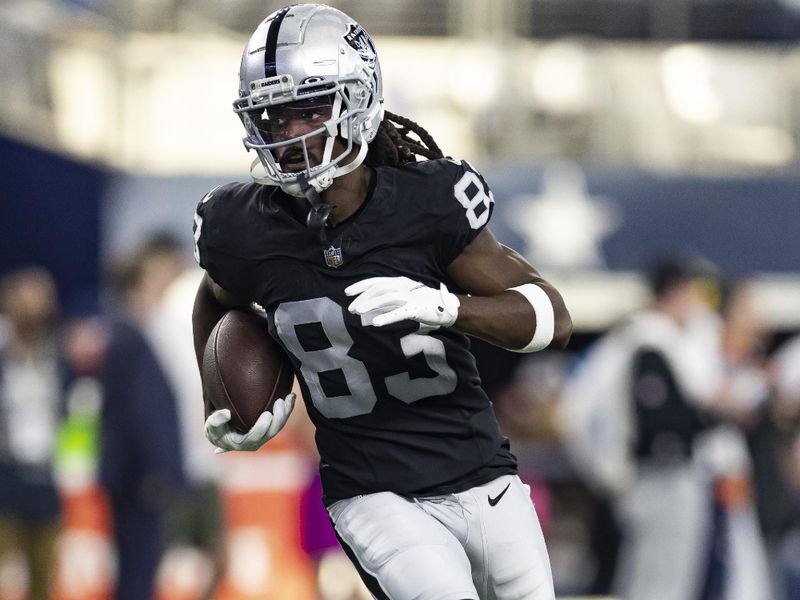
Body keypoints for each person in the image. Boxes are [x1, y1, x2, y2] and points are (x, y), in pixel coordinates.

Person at [191, 4, 572, 600]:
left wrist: (450, 308)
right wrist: (219, 394)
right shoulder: (240, 229)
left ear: (359, 99)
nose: (292, 134)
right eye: (274, 115)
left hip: (481, 475)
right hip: (371, 491)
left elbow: (554, 317)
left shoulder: (428, 202)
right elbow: (215, 299)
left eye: (310, 108)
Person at [99, 236, 186, 600]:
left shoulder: (128, 335)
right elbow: (141, 413)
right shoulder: (129, 337)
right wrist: (155, 469)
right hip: (138, 478)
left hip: (133, 474)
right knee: (137, 570)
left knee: (138, 567)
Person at [0, 267, 71, 600]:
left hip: (45, 477)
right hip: (5, 476)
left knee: (42, 575)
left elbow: (71, 410)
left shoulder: (57, 353)